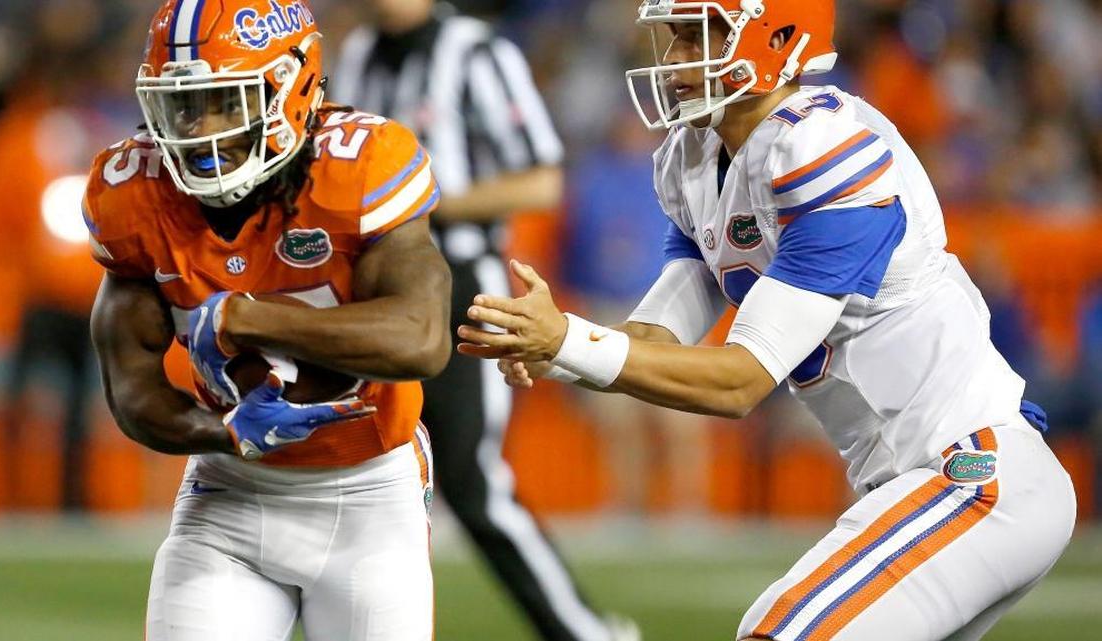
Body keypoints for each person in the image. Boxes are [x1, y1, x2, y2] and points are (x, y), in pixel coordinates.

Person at [458, 1, 1077, 640]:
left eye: (701, 35)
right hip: (917, 483)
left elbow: (741, 382)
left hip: (971, 475)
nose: (673, 59)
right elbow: (663, 327)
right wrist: (557, 348)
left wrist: (569, 339)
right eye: (672, 36)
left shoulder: (826, 148)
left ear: (777, 37)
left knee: (779, 632)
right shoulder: (698, 155)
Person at [85, 1, 450, 639]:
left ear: (292, 86)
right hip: (228, 495)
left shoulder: (362, 164)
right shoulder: (134, 195)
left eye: (224, 101)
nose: (197, 130)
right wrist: (223, 433)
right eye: (181, 106)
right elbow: (133, 391)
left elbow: (420, 339)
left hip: (368, 492)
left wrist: (247, 319)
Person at [332, 3, 637, 641]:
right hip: (370, 290)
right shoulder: (357, 51)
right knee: (354, 471)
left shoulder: (475, 51)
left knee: (473, 483)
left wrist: (420, 204)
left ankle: (585, 633)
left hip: (462, 283)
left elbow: (542, 181)